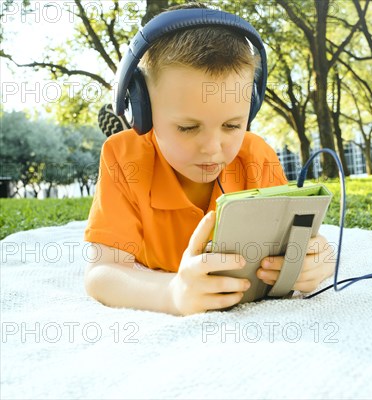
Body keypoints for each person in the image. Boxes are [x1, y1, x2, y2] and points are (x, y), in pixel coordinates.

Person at [83, 3, 334, 316]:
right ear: (142, 109)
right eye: (188, 127)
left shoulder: (256, 155)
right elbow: (101, 274)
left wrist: (312, 261)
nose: (213, 148)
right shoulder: (123, 157)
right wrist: (171, 294)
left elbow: (294, 243)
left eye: (232, 125)